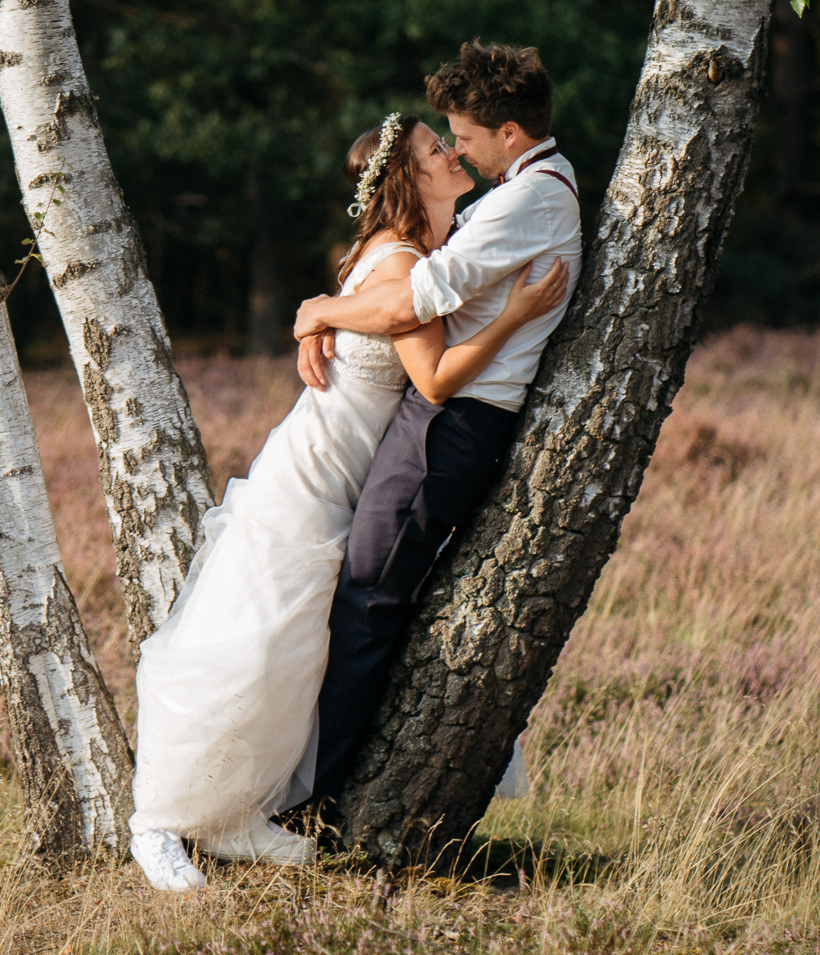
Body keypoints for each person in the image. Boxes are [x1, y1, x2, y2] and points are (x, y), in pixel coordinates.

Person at [128, 109, 570, 893]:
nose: (453, 152)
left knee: (295, 644)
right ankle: (160, 821)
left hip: (346, 466)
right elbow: (432, 379)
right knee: (251, 634)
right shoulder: (401, 260)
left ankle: (239, 812)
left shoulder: (409, 253)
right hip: (321, 466)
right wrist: (514, 316)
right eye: (438, 149)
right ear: (410, 177)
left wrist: (320, 310)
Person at [293, 41, 581, 813]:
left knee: (367, 601)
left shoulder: (531, 199)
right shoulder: (526, 187)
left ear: (511, 133)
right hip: (443, 419)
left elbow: (407, 303)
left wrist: (319, 310)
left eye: (464, 134)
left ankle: (316, 799)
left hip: (447, 425)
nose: (457, 147)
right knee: (366, 597)